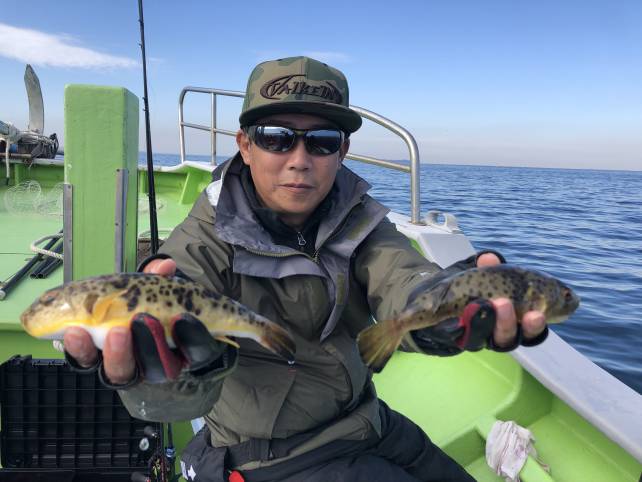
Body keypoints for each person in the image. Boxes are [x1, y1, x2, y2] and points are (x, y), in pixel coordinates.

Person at [63, 56, 549, 482]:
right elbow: (181, 288)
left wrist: (443, 303)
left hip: (367, 418)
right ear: (245, 145)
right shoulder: (206, 231)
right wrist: (170, 366)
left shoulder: (361, 218)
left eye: (321, 141)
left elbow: (402, 274)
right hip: (270, 455)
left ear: (342, 151)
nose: (299, 160)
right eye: (276, 138)